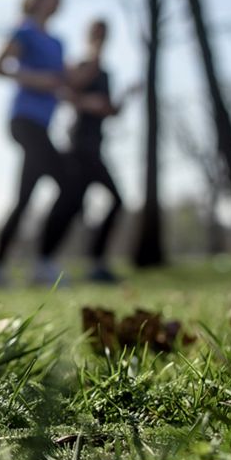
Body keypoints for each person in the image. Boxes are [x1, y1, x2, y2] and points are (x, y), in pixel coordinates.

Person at [0, 0, 87, 286]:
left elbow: (65, 84)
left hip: (43, 124)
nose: (57, 2)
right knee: (71, 186)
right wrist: (35, 79)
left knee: (25, 198)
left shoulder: (58, 43)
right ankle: (43, 263)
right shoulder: (24, 30)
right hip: (24, 121)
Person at [38, 19, 138, 283]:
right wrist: (86, 102)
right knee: (74, 202)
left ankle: (92, 262)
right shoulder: (81, 66)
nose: (101, 38)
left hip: (96, 144)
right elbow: (65, 93)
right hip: (78, 145)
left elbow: (109, 110)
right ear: (89, 35)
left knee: (92, 202)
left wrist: (126, 96)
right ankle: (45, 260)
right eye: (97, 33)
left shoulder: (105, 73)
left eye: (105, 34)